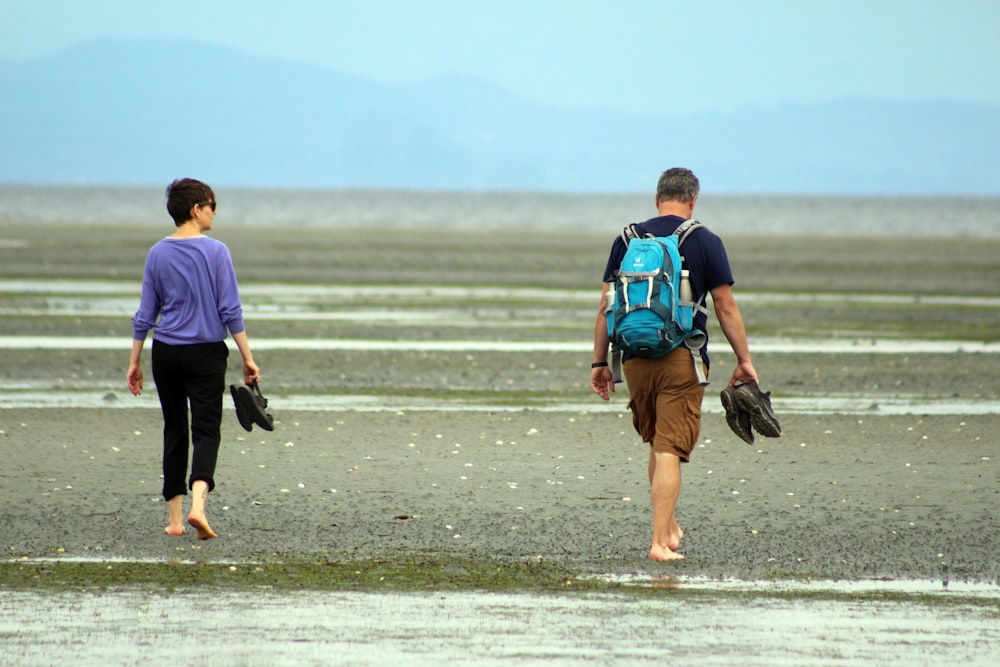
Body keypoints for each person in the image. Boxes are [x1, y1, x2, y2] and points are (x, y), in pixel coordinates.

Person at [590, 167, 758, 561]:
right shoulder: (705, 241)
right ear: (693, 199)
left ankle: (667, 529)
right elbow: (725, 307)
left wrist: (600, 362)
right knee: (669, 448)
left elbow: (605, 306)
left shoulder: (627, 239)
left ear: (656, 198)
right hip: (681, 357)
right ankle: (657, 543)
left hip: (633, 358)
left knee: (656, 442)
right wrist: (744, 360)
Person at [126, 178, 260, 540]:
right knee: (205, 429)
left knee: (174, 428)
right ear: (195, 210)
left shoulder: (157, 253)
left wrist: (134, 361)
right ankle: (198, 508)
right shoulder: (216, 252)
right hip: (205, 353)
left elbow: (145, 313)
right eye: (211, 205)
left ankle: (173, 520)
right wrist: (247, 357)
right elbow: (230, 309)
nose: (215, 211)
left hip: (166, 352)